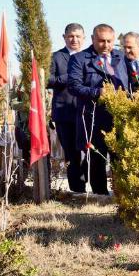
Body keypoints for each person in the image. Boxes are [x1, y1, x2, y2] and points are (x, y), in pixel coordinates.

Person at [67, 23, 130, 195]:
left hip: (118, 115)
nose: (106, 45)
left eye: (110, 41)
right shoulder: (80, 59)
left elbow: (129, 83)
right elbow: (73, 86)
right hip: (93, 116)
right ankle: (100, 195)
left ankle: (122, 193)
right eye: (101, 41)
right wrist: (97, 92)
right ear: (93, 39)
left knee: (120, 156)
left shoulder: (121, 57)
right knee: (97, 158)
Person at [48, 23, 86, 193]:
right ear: (64, 37)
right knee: (71, 153)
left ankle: (90, 183)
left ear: (84, 38)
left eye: (78, 36)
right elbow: (47, 80)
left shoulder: (89, 57)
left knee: (91, 152)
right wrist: (69, 77)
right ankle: (77, 190)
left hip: (87, 112)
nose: (74, 39)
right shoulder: (55, 57)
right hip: (65, 113)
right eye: (71, 36)